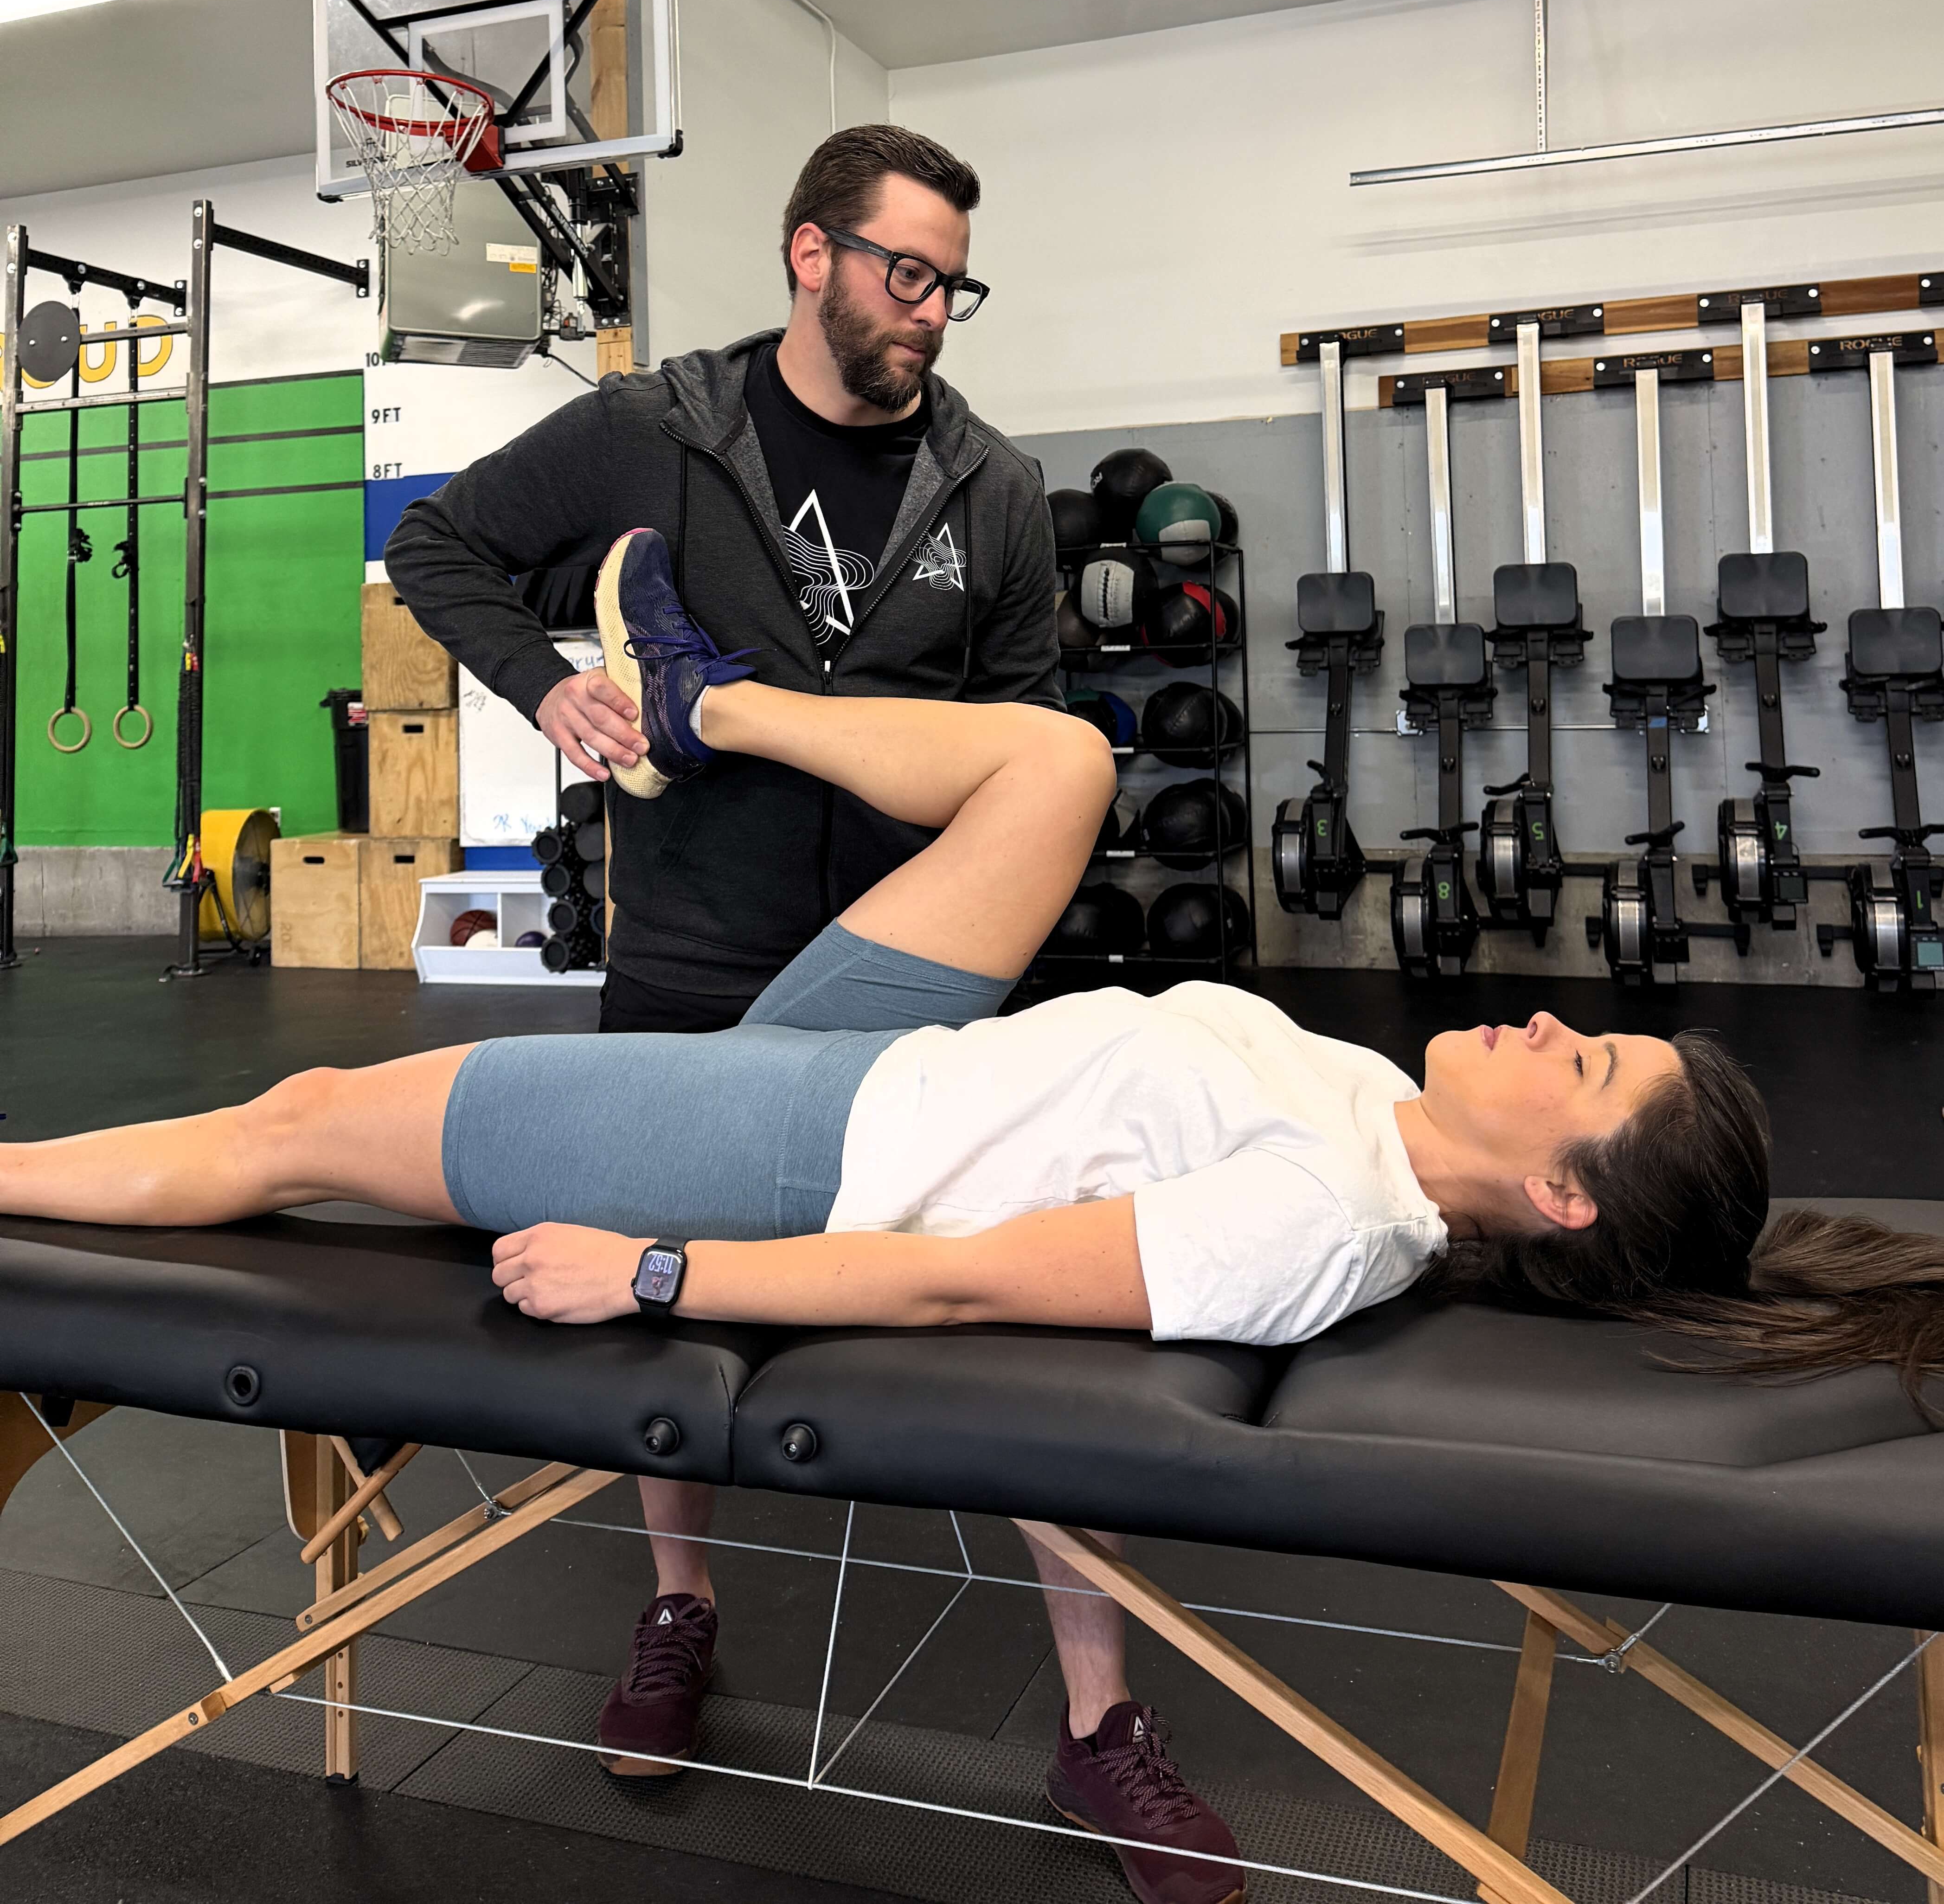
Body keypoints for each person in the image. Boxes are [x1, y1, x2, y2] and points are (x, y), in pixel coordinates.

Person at [13, 541, 1942, 1904]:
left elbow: (958, 1290)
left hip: (804, 1150)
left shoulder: (1318, 1212)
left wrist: (657, 1269)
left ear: (1555, 1194)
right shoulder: (1395, 1112)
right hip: (907, 1051)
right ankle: (702, 697)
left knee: (298, 1126)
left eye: (1582, 1069)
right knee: (1062, 759)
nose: (1542, 1019)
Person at [382, 126, 1072, 1808]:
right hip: (694, 945)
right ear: (809, 254)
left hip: (916, 969)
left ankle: (1100, 1703)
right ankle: (680, 1609)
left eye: (951, 283)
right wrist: (547, 688)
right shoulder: (651, 432)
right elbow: (438, 553)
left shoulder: (996, 489)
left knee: (1053, 1331)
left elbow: (1031, 728)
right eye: (906, 273)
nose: (931, 313)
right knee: (652, 1307)